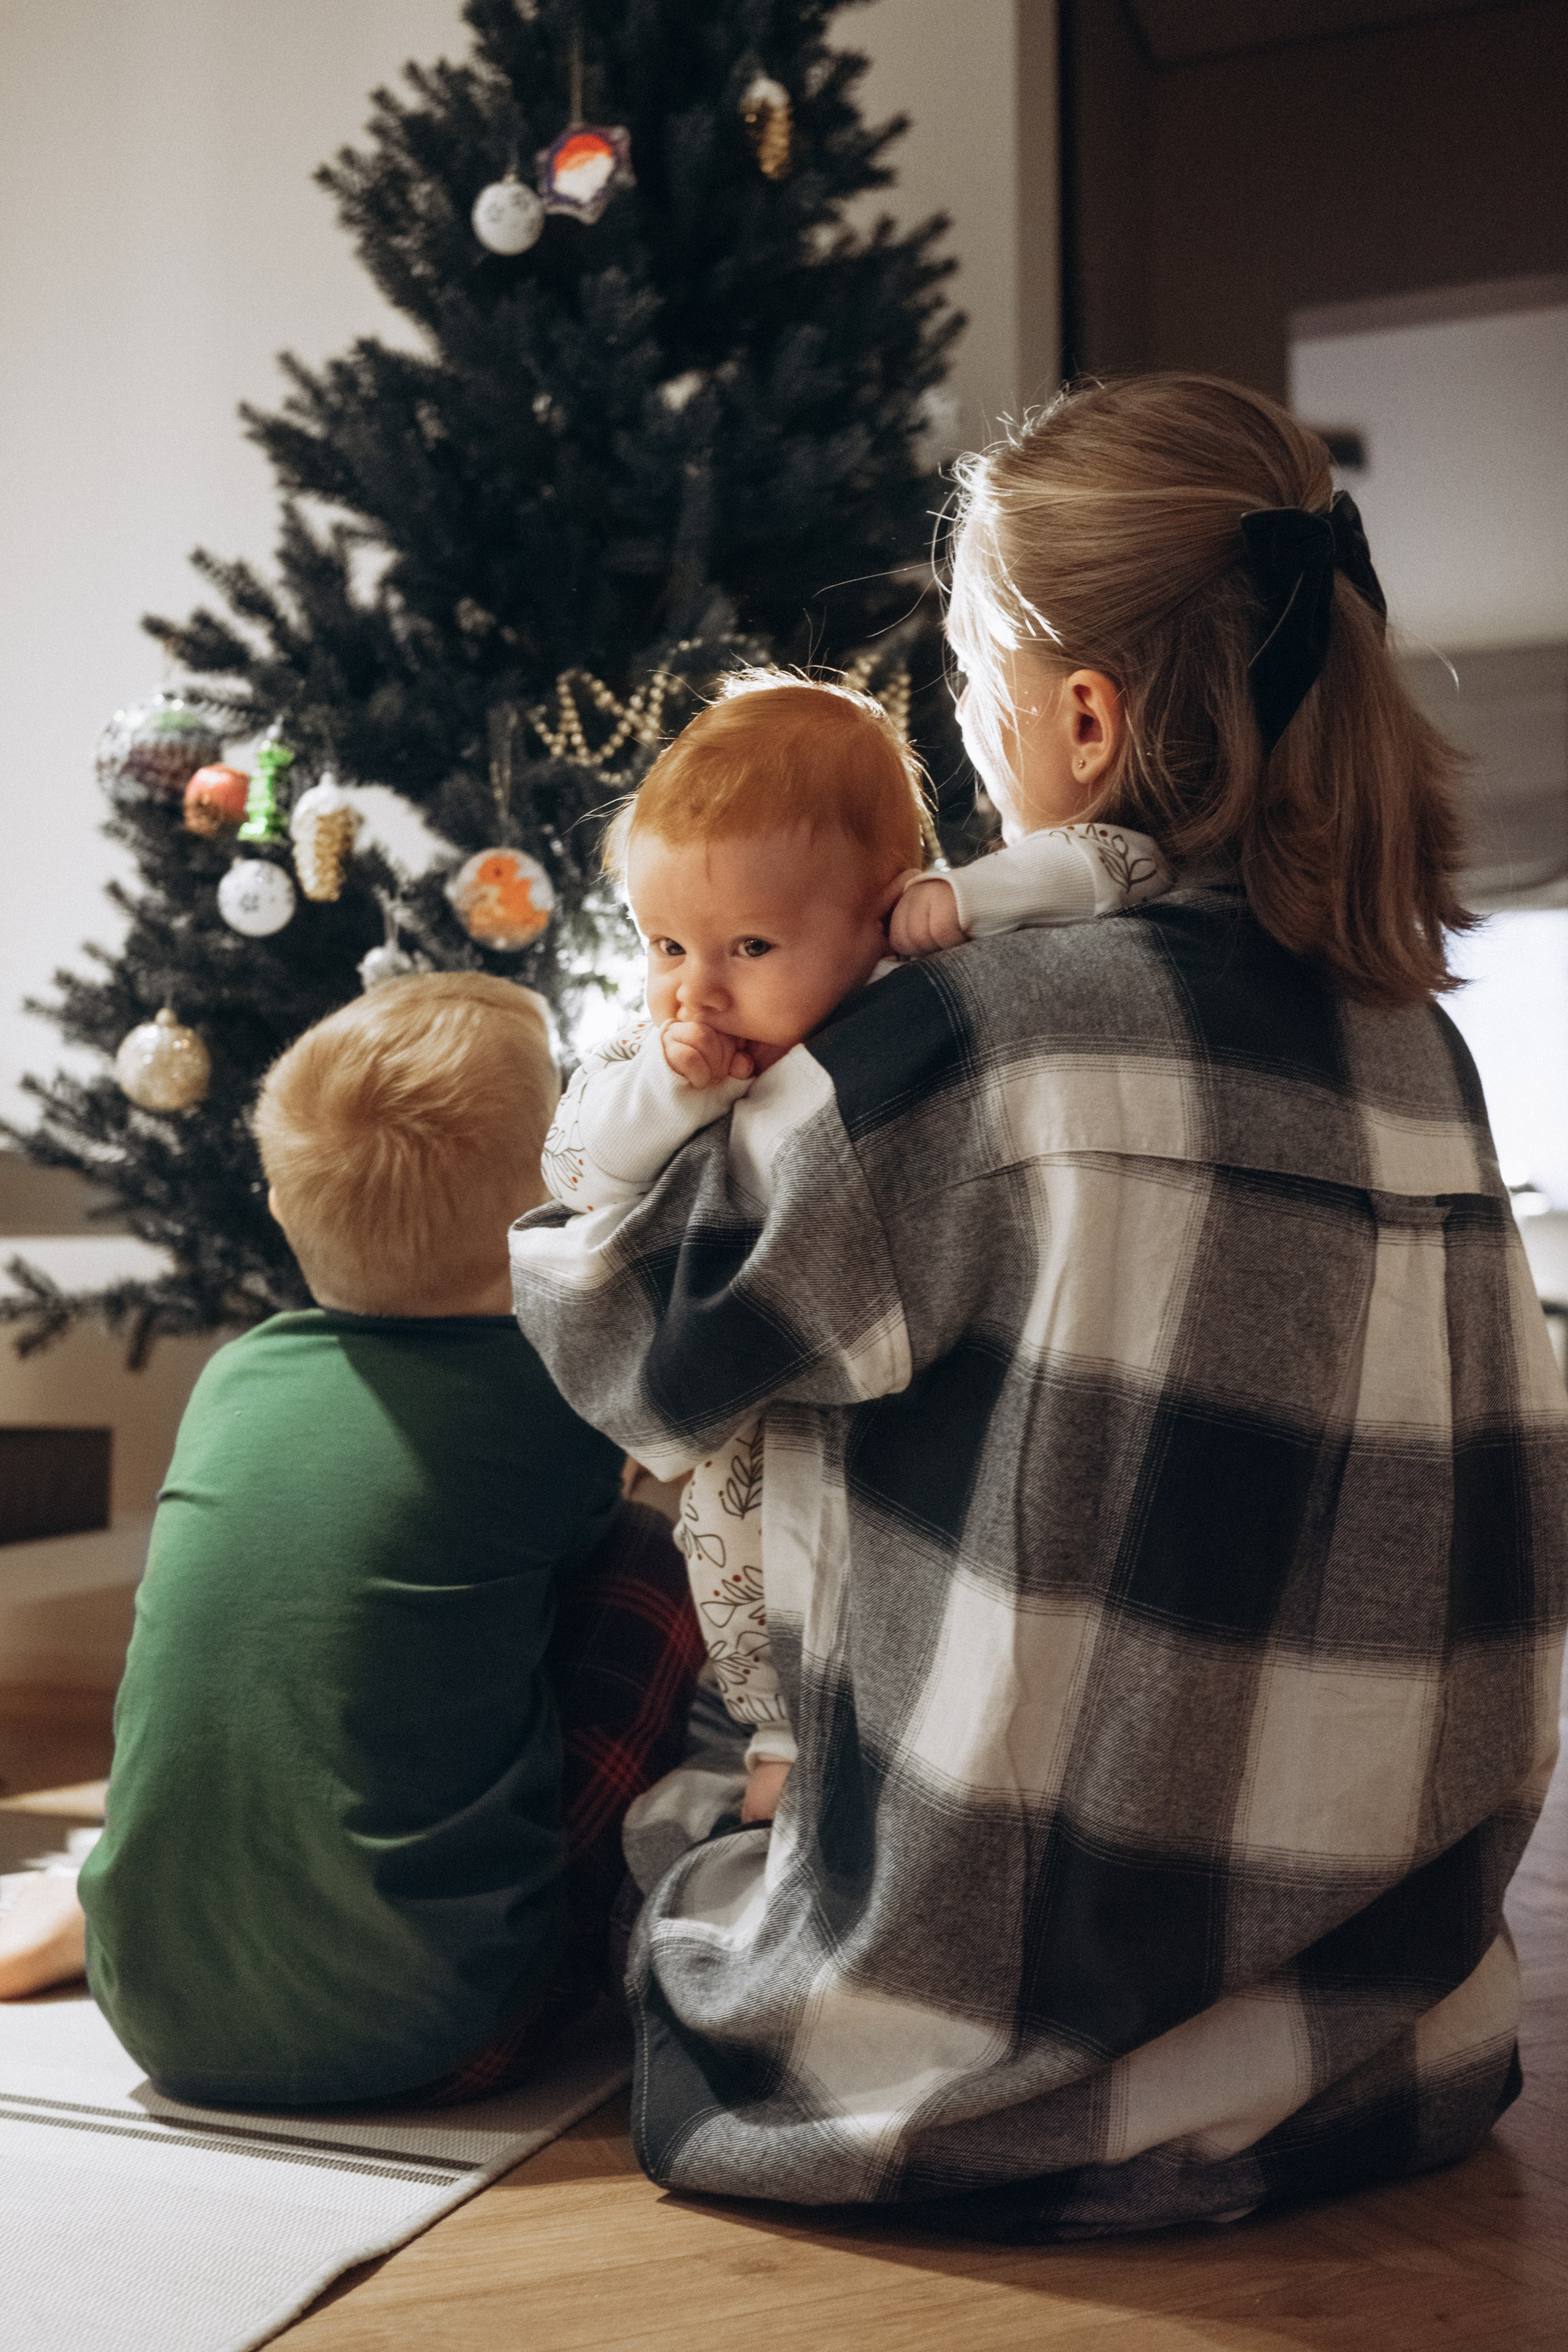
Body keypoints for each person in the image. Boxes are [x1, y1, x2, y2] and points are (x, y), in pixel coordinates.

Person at [508, 374, 1568, 2236]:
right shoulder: (1430, 1058)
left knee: (646, 1735)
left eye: (980, 693)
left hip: (969, 2068)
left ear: (1081, 718)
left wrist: (673, 1084)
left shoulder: (965, 1040)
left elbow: (622, 1342)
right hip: (1394, 2043)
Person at [4, 973, 703, 2110]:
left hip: (155, 2011)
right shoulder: (554, 1401)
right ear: (558, 1204)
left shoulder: (236, 1379)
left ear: (282, 1211)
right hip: (444, 2029)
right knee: (647, 1563)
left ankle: (112, 1907)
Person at [538, 671, 1170, 1826]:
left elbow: (1125, 865)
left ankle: (868, 1741)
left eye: (748, 945)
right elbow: (574, 1169)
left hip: (901, 1398)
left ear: (878, 910)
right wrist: (669, 1099)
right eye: (665, 942)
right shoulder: (663, 1043)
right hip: (744, 1413)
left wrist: (969, 897)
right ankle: (776, 1741)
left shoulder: (915, 983)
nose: (699, 986)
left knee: (886, 1561)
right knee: (734, 1560)